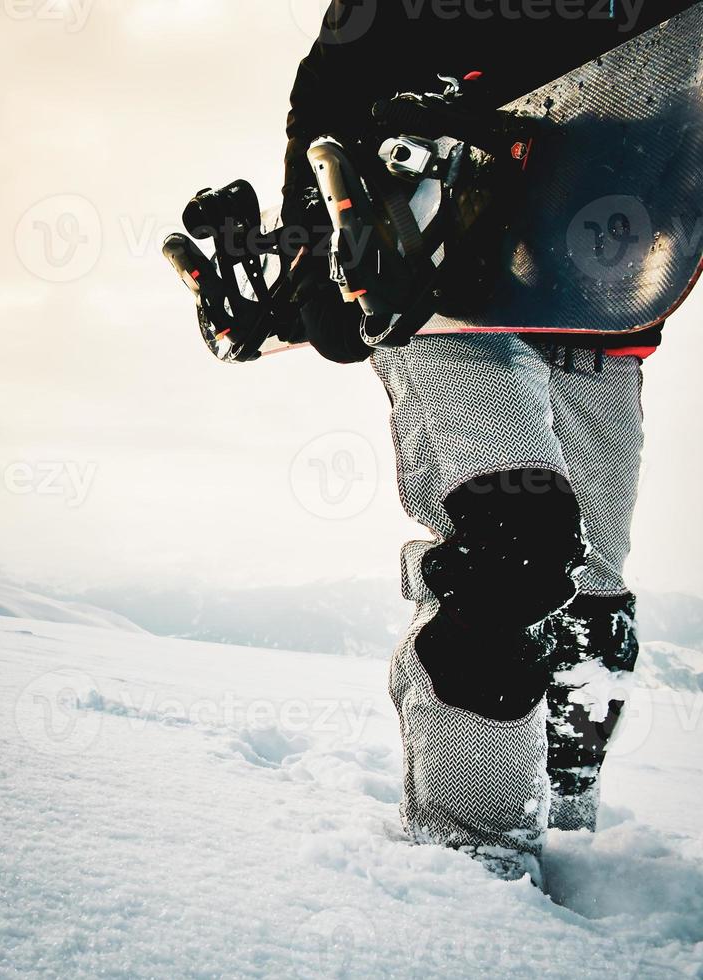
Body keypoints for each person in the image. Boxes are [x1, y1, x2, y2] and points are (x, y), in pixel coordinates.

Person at [281, 0, 697, 881]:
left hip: (598, 314)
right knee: (518, 547)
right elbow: (333, 96)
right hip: (447, 290)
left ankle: (572, 823)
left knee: (590, 605)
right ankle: (473, 870)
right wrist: (319, 247)